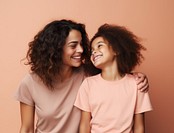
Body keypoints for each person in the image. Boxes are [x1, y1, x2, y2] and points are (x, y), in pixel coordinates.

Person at [15, 19, 150, 133]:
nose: (81, 50)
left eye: (81, 44)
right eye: (73, 45)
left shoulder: (87, 74)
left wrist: (137, 76)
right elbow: (26, 128)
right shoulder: (30, 83)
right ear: (55, 49)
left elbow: (115, 77)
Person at [74, 24, 153, 133]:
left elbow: (139, 127)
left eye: (99, 46)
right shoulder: (88, 84)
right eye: (92, 51)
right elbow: (85, 125)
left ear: (116, 50)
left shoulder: (137, 84)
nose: (94, 52)